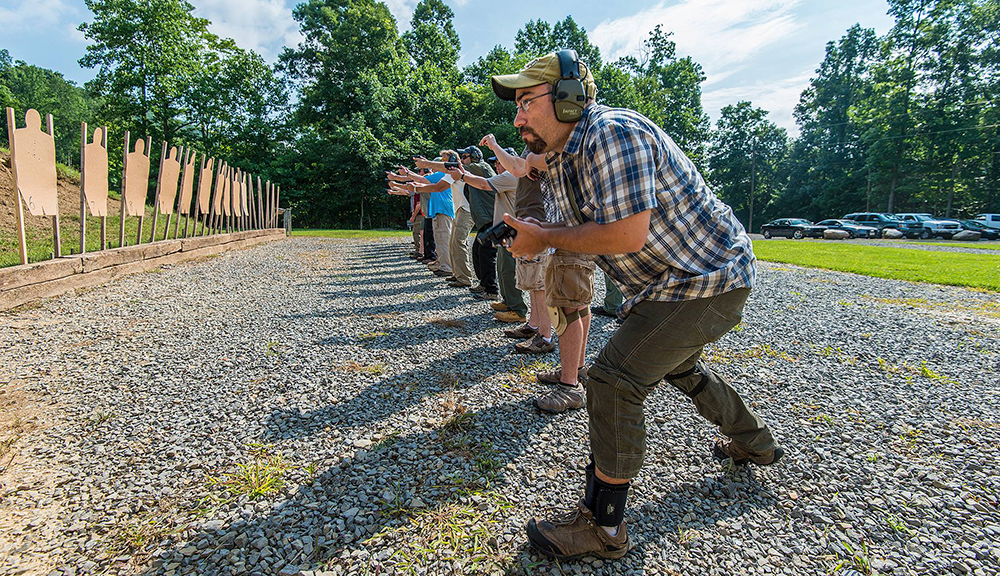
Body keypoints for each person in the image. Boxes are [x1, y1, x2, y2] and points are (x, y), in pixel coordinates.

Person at [492, 50, 783, 560]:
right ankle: (755, 443)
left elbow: (625, 234)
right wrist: (535, 232)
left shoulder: (613, 135)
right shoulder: (565, 155)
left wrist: (543, 239)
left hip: (709, 279)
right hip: (669, 286)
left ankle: (603, 529)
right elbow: (563, 210)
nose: (517, 118)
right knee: (681, 368)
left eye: (525, 102)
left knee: (613, 378)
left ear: (568, 100)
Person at [448, 147, 554, 354]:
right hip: (526, 231)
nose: (498, 164)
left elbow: (485, 182)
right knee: (533, 284)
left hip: (535, 232)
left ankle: (545, 335)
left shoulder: (518, 171)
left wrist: (492, 145)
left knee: (539, 286)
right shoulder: (520, 170)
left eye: (501, 160)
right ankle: (534, 326)